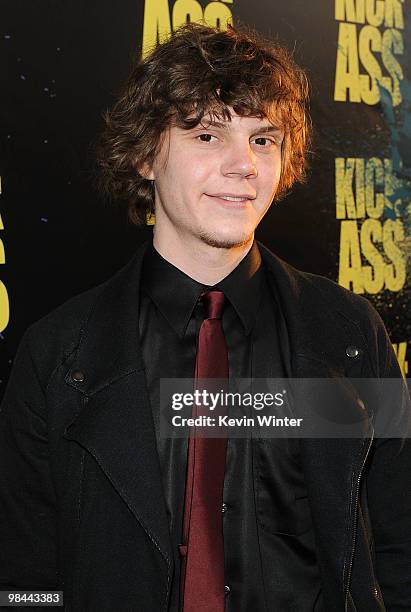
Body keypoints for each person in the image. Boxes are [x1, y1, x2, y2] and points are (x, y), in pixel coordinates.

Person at [0, 21, 410, 612]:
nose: (243, 165)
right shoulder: (58, 352)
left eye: (263, 140)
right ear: (145, 153)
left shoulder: (350, 331)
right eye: (208, 136)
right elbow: (22, 570)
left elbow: (396, 541)